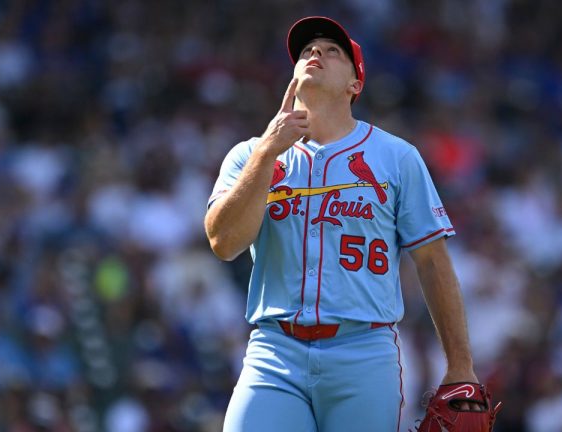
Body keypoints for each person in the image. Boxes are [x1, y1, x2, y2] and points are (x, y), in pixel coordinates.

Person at [205, 16, 483, 432]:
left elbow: (431, 261)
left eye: (332, 51)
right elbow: (224, 243)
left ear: (355, 84)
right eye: (306, 51)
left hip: (363, 352)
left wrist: (461, 366)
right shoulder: (250, 154)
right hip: (275, 350)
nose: (315, 53)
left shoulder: (396, 157)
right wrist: (267, 153)